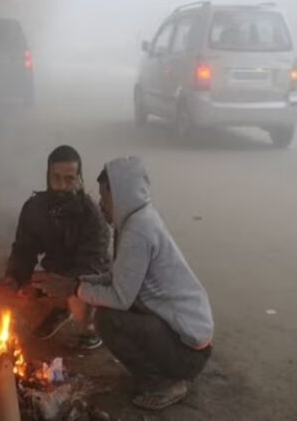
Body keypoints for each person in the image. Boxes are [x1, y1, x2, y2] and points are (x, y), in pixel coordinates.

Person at [37, 157, 214, 410]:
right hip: (185, 340)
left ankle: (164, 381)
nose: (102, 204)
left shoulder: (137, 231)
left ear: (120, 195)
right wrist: (78, 282)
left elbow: (121, 297)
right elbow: (117, 277)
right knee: (108, 308)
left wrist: (76, 290)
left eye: (105, 196)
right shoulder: (136, 219)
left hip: (188, 353)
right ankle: (160, 371)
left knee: (108, 319)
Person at [0, 145, 110, 348]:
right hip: (55, 271)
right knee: (19, 297)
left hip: (89, 278)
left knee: (81, 300)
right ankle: (59, 310)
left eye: (69, 179)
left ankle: (95, 325)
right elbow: (24, 248)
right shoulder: (35, 208)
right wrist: (14, 278)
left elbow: (93, 265)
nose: (61, 185)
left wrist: (61, 290)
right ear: (48, 177)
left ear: (79, 178)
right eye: (56, 178)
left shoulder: (92, 216)